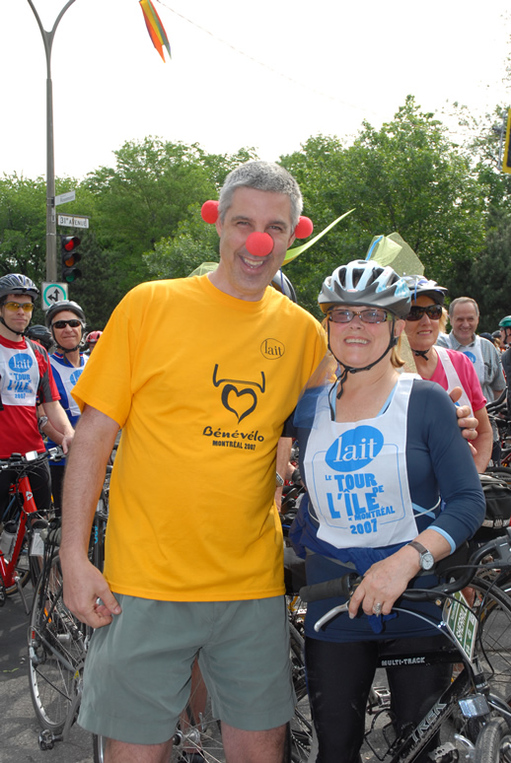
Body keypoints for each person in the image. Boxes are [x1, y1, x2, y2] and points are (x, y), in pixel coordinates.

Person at [59, 160, 328, 763]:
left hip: (251, 589)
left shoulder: (305, 334)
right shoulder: (149, 306)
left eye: (275, 228)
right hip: (144, 585)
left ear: (295, 233)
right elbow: (93, 437)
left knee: (262, 750)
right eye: (243, 223)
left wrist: (441, 417)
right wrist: (74, 557)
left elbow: (359, 402)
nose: (257, 242)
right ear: (218, 224)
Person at [289, 259, 485, 763]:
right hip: (334, 604)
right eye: (343, 313)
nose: (356, 324)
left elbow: (467, 502)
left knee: (418, 750)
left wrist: (404, 562)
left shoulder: (427, 401)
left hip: (417, 598)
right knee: (335, 750)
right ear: (328, 324)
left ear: (396, 326)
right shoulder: (306, 407)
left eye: (373, 315)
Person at [0, 274, 74, 517]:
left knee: (40, 527)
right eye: (14, 305)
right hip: (2, 457)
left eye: (28, 306)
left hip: (34, 454)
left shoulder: (39, 352)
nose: (22, 312)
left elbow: (51, 404)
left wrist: (69, 434)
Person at [403, 275, 492, 473]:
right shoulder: (385, 369)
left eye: (433, 312)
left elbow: (484, 432)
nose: (426, 321)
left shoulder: (459, 363)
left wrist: (472, 482)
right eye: (414, 313)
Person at [40, 300, 89, 509]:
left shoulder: (93, 362)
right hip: (59, 459)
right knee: (65, 521)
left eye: (73, 323)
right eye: (60, 325)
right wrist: (65, 441)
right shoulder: (46, 365)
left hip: (93, 454)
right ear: (52, 332)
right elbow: (41, 416)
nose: (68, 329)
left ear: (82, 328)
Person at [436, 297, 505, 404]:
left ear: (477, 319)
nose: (466, 324)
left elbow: (499, 389)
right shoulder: (438, 346)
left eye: (470, 319)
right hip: (450, 416)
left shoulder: (487, 347)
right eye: (460, 319)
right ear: (451, 319)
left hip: (486, 415)